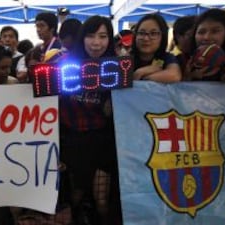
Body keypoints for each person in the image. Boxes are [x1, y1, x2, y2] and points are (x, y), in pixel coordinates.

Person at [59, 15, 119, 225]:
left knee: (102, 201)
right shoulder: (64, 65)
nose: (96, 43)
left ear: (110, 39)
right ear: (82, 38)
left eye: (103, 36)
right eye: (91, 36)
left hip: (102, 142)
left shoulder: (116, 66)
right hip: (72, 142)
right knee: (74, 196)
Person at [184, 8, 225, 81]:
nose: (206, 37)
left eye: (215, 31)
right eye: (201, 32)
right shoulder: (183, 61)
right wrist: (187, 77)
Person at [131, 13, 182, 83]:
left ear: (163, 36)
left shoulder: (167, 57)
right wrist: (138, 73)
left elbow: (174, 75)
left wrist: (141, 75)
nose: (146, 38)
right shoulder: (126, 59)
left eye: (153, 33)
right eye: (141, 33)